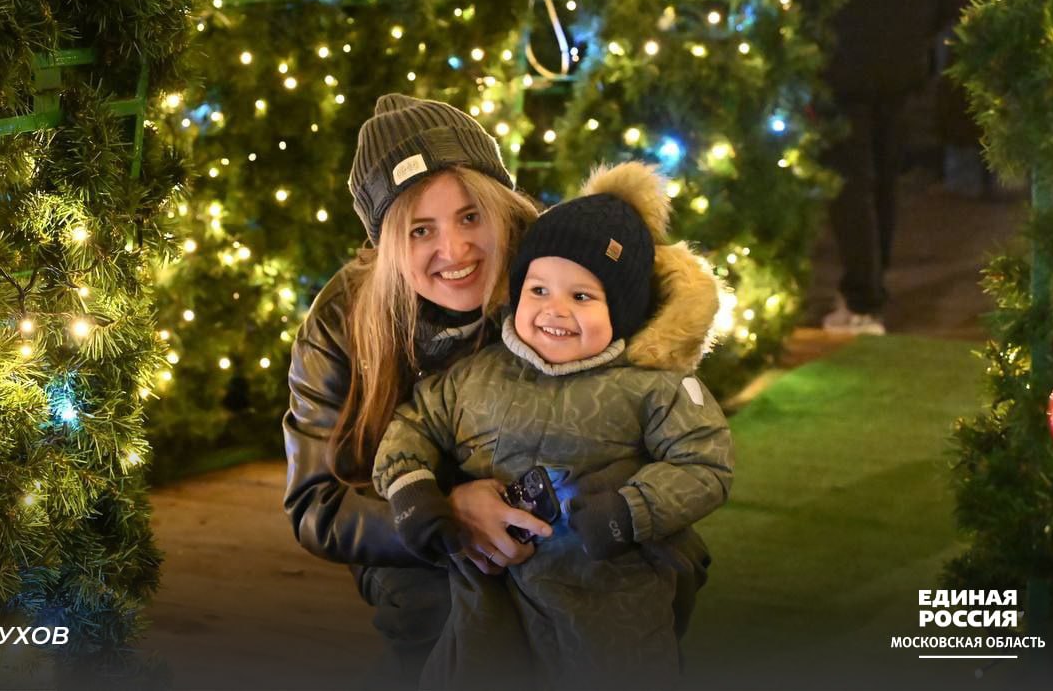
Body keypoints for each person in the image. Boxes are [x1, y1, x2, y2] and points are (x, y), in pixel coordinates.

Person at [372, 163, 733, 689]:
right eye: (538, 290)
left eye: (582, 297)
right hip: (490, 598)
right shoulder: (475, 376)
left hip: (609, 599)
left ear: (623, 310)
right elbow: (414, 422)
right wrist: (413, 491)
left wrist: (630, 511)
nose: (554, 310)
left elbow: (704, 461)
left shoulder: (652, 387)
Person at [282, 93, 548, 686]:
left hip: (552, 510)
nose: (454, 251)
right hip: (411, 538)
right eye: (420, 230)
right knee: (443, 616)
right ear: (386, 245)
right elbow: (315, 505)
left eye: (470, 216)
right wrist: (444, 516)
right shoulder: (341, 320)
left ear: (501, 206)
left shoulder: (553, 268)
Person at [822, 0, 968, 334]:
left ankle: (861, 297)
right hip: (902, 60)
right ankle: (870, 288)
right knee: (885, 174)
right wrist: (920, 33)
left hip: (838, 56)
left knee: (849, 178)